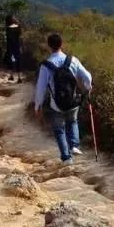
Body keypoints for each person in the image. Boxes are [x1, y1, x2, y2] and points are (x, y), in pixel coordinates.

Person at [34, 33, 93, 164]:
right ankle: (75, 145)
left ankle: (66, 158)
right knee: (73, 122)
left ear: (49, 46)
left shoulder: (46, 65)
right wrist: (88, 88)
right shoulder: (73, 60)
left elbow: (41, 88)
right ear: (62, 44)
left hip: (56, 104)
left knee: (59, 130)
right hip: (73, 102)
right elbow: (87, 77)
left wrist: (38, 106)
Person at [5, 15, 22, 83]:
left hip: (10, 47)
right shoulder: (18, 27)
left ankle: (11, 76)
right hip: (17, 47)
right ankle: (19, 78)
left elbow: (8, 39)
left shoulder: (8, 29)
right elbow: (20, 37)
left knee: (10, 61)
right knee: (18, 61)